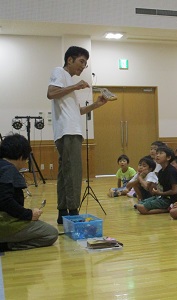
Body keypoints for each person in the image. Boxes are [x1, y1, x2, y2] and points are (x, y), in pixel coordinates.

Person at [47, 46, 108, 224]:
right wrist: (76, 85)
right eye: (81, 61)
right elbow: (50, 93)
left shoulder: (69, 87)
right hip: (68, 131)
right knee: (73, 171)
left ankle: (62, 212)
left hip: (69, 130)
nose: (83, 66)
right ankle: (73, 212)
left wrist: (96, 105)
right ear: (70, 60)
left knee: (65, 172)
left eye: (85, 63)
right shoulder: (59, 72)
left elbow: (78, 111)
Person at [0, 134, 58, 251]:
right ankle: (6, 245)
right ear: (21, 156)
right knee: (50, 233)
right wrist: (29, 214)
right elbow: (5, 200)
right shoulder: (8, 169)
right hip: (3, 222)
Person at [135, 146, 177, 214]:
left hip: (170, 199)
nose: (157, 155)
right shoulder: (161, 171)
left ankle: (168, 209)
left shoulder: (171, 171)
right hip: (161, 197)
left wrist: (159, 193)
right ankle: (166, 208)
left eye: (161, 153)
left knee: (141, 207)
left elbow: (175, 191)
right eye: (157, 154)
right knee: (138, 204)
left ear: (168, 157)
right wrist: (156, 192)